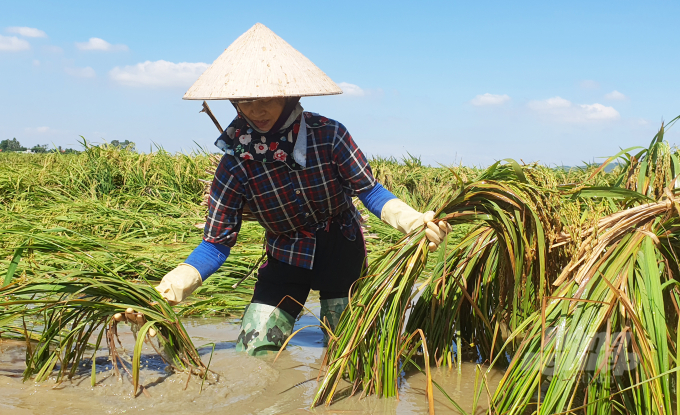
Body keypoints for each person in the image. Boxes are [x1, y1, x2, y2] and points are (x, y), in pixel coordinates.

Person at [156, 23, 451, 355]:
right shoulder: (235, 164)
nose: (255, 110)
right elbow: (216, 244)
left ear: (288, 94)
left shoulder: (328, 135)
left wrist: (413, 221)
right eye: (243, 100)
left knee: (350, 350)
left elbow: (369, 191)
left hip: (341, 248)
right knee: (254, 350)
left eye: (265, 98)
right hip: (285, 254)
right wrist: (173, 287)